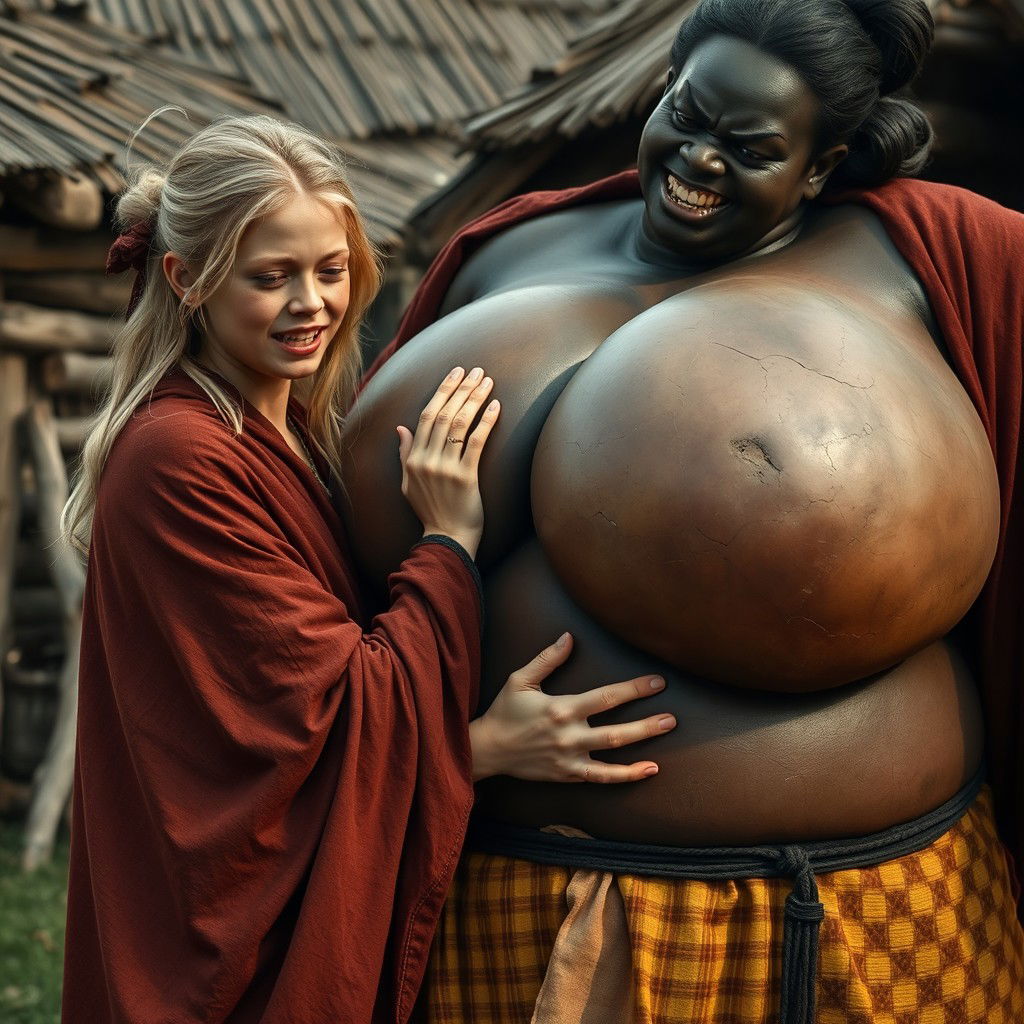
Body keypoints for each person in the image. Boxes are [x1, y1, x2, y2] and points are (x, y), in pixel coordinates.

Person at [342, 0, 1024, 1021]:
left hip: (852, 918)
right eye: (685, 112)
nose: (697, 159)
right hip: (512, 902)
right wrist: (449, 745)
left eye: (747, 149)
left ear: (821, 163)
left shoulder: (936, 262)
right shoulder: (503, 252)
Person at [59, 115, 678, 1023]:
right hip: (214, 960)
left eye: (331, 270)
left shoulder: (295, 430)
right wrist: (450, 546)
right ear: (185, 279)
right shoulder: (178, 458)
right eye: (270, 278)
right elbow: (300, 738)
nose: (311, 303)